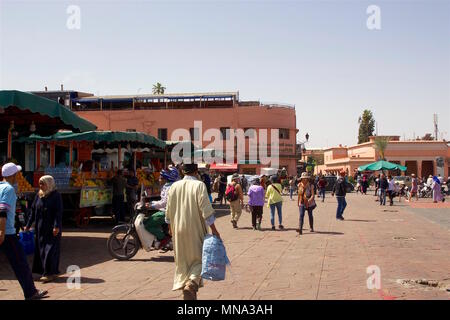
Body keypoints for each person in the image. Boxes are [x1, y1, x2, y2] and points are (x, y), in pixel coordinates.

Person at [165, 163, 221, 300]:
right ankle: (191, 284)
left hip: (177, 229)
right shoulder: (199, 185)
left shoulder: (174, 186)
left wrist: (170, 228)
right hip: (195, 228)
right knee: (200, 259)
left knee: (183, 261)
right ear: (196, 172)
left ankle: (189, 293)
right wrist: (214, 230)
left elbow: (168, 211)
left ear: (183, 172)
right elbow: (206, 211)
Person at [0, 163, 48, 300]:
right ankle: (31, 292)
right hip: (7, 233)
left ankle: (31, 291)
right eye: (17, 173)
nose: (18, 176)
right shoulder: (8, 189)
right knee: (21, 263)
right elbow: (2, 212)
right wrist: (2, 232)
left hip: (5, 231)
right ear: (13, 175)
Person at [24, 175, 63, 283]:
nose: (40, 186)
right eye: (40, 183)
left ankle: (50, 273)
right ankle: (45, 272)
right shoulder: (39, 195)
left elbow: (58, 213)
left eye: (43, 183)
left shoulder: (56, 196)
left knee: (50, 251)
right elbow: (33, 211)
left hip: (52, 229)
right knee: (41, 250)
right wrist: (28, 225)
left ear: (49, 184)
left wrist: (56, 226)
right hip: (40, 228)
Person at [144, 167, 179, 250]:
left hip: (165, 212)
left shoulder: (169, 188)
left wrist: (151, 205)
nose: (159, 178)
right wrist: (151, 203)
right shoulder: (168, 186)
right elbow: (162, 201)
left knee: (147, 225)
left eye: (161, 177)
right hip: (166, 211)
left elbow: (164, 203)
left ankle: (163, 239)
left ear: (166, 178)